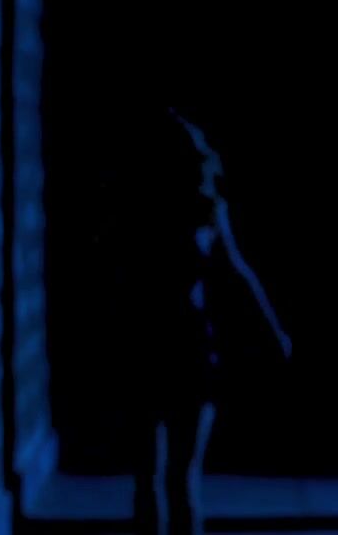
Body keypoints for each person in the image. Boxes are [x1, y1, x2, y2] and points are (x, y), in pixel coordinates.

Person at [114, 105, 291, 535]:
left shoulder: (196, 208)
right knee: (164, 474)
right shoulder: (175, 207)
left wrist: (271, 330)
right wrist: (271, 331)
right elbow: (236, 272)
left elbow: (236, 272)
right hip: (161, 343)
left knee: (169, 474)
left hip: (177, 346)